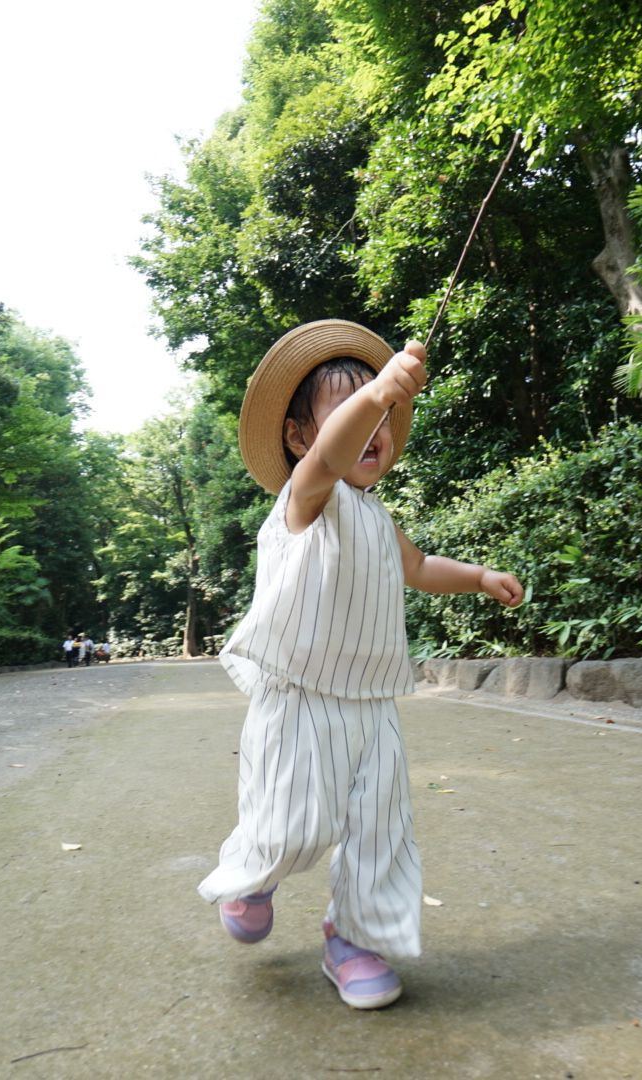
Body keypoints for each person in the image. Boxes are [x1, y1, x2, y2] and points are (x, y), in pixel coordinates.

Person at [197, 319, 523, 1010]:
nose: (374, 426)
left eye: (383, 416)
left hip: (373, 703)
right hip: (300, 699)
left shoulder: (378, 516)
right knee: (293, 824)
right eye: (349, 410)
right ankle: (256, 874)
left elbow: (418, 566)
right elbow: (329, 457)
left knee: (382, 828)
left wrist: (478, 576)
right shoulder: (306, 496)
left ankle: (352, 939)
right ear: (299, 437)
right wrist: (378, 393)